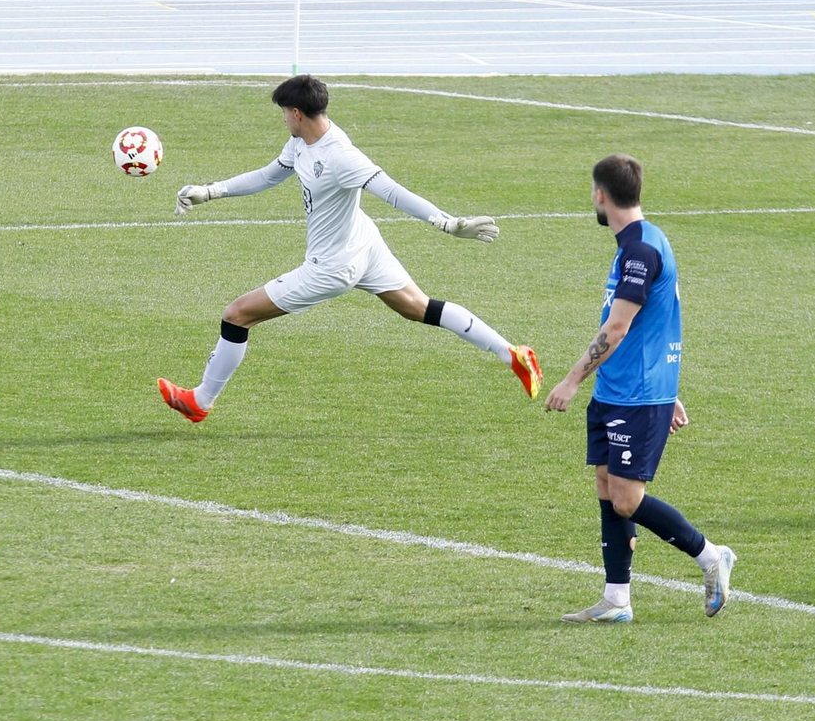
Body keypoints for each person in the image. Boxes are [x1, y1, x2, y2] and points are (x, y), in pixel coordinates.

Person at [157, 74, 542, 422]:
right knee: (420, 308)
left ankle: (200, 402)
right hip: (364, 243)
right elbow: (269, 175)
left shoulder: (341, 155)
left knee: (237, 315)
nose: (283, 121)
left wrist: (445, 222)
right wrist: (211, 191)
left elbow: (391, 191)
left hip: (332, 266)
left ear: (296, 113)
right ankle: (512, 354)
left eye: (283, 114)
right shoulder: (301, 141)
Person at [545, 153, 736, 623]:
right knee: (607, 485)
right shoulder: (639, 242)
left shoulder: (641, 250)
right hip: (620, 389)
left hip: (637, 395)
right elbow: (659, 322)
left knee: (627, 498)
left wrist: (571, 380)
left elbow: (618, 328)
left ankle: (711, 556)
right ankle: (616, 599)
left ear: (601, 195)